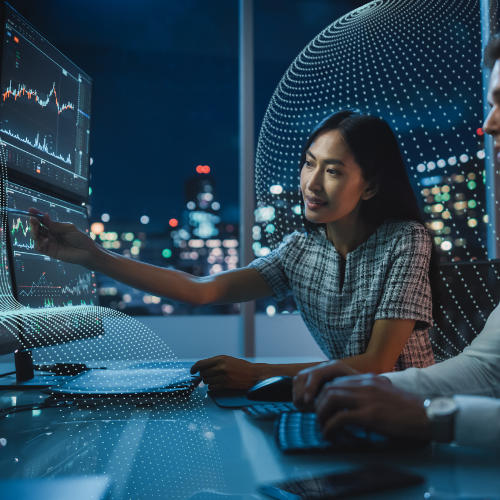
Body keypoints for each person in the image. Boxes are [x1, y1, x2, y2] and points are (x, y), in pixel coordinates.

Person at [30, 109, 437, 390]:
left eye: (332, 171)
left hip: (414, 410)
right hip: (341, 405)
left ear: (370, 185)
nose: (312, 183)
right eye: (309, 163)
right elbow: (202, 290)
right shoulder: (299, 252)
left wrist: (259, 374)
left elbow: (378, 365)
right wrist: (93, 257)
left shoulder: (405, 239)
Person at [291, 34, 500, 449]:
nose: (490, 123)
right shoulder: (303, 249)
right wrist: (374, 390)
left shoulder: (406, 239)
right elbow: (488, 371)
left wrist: (438, 417)